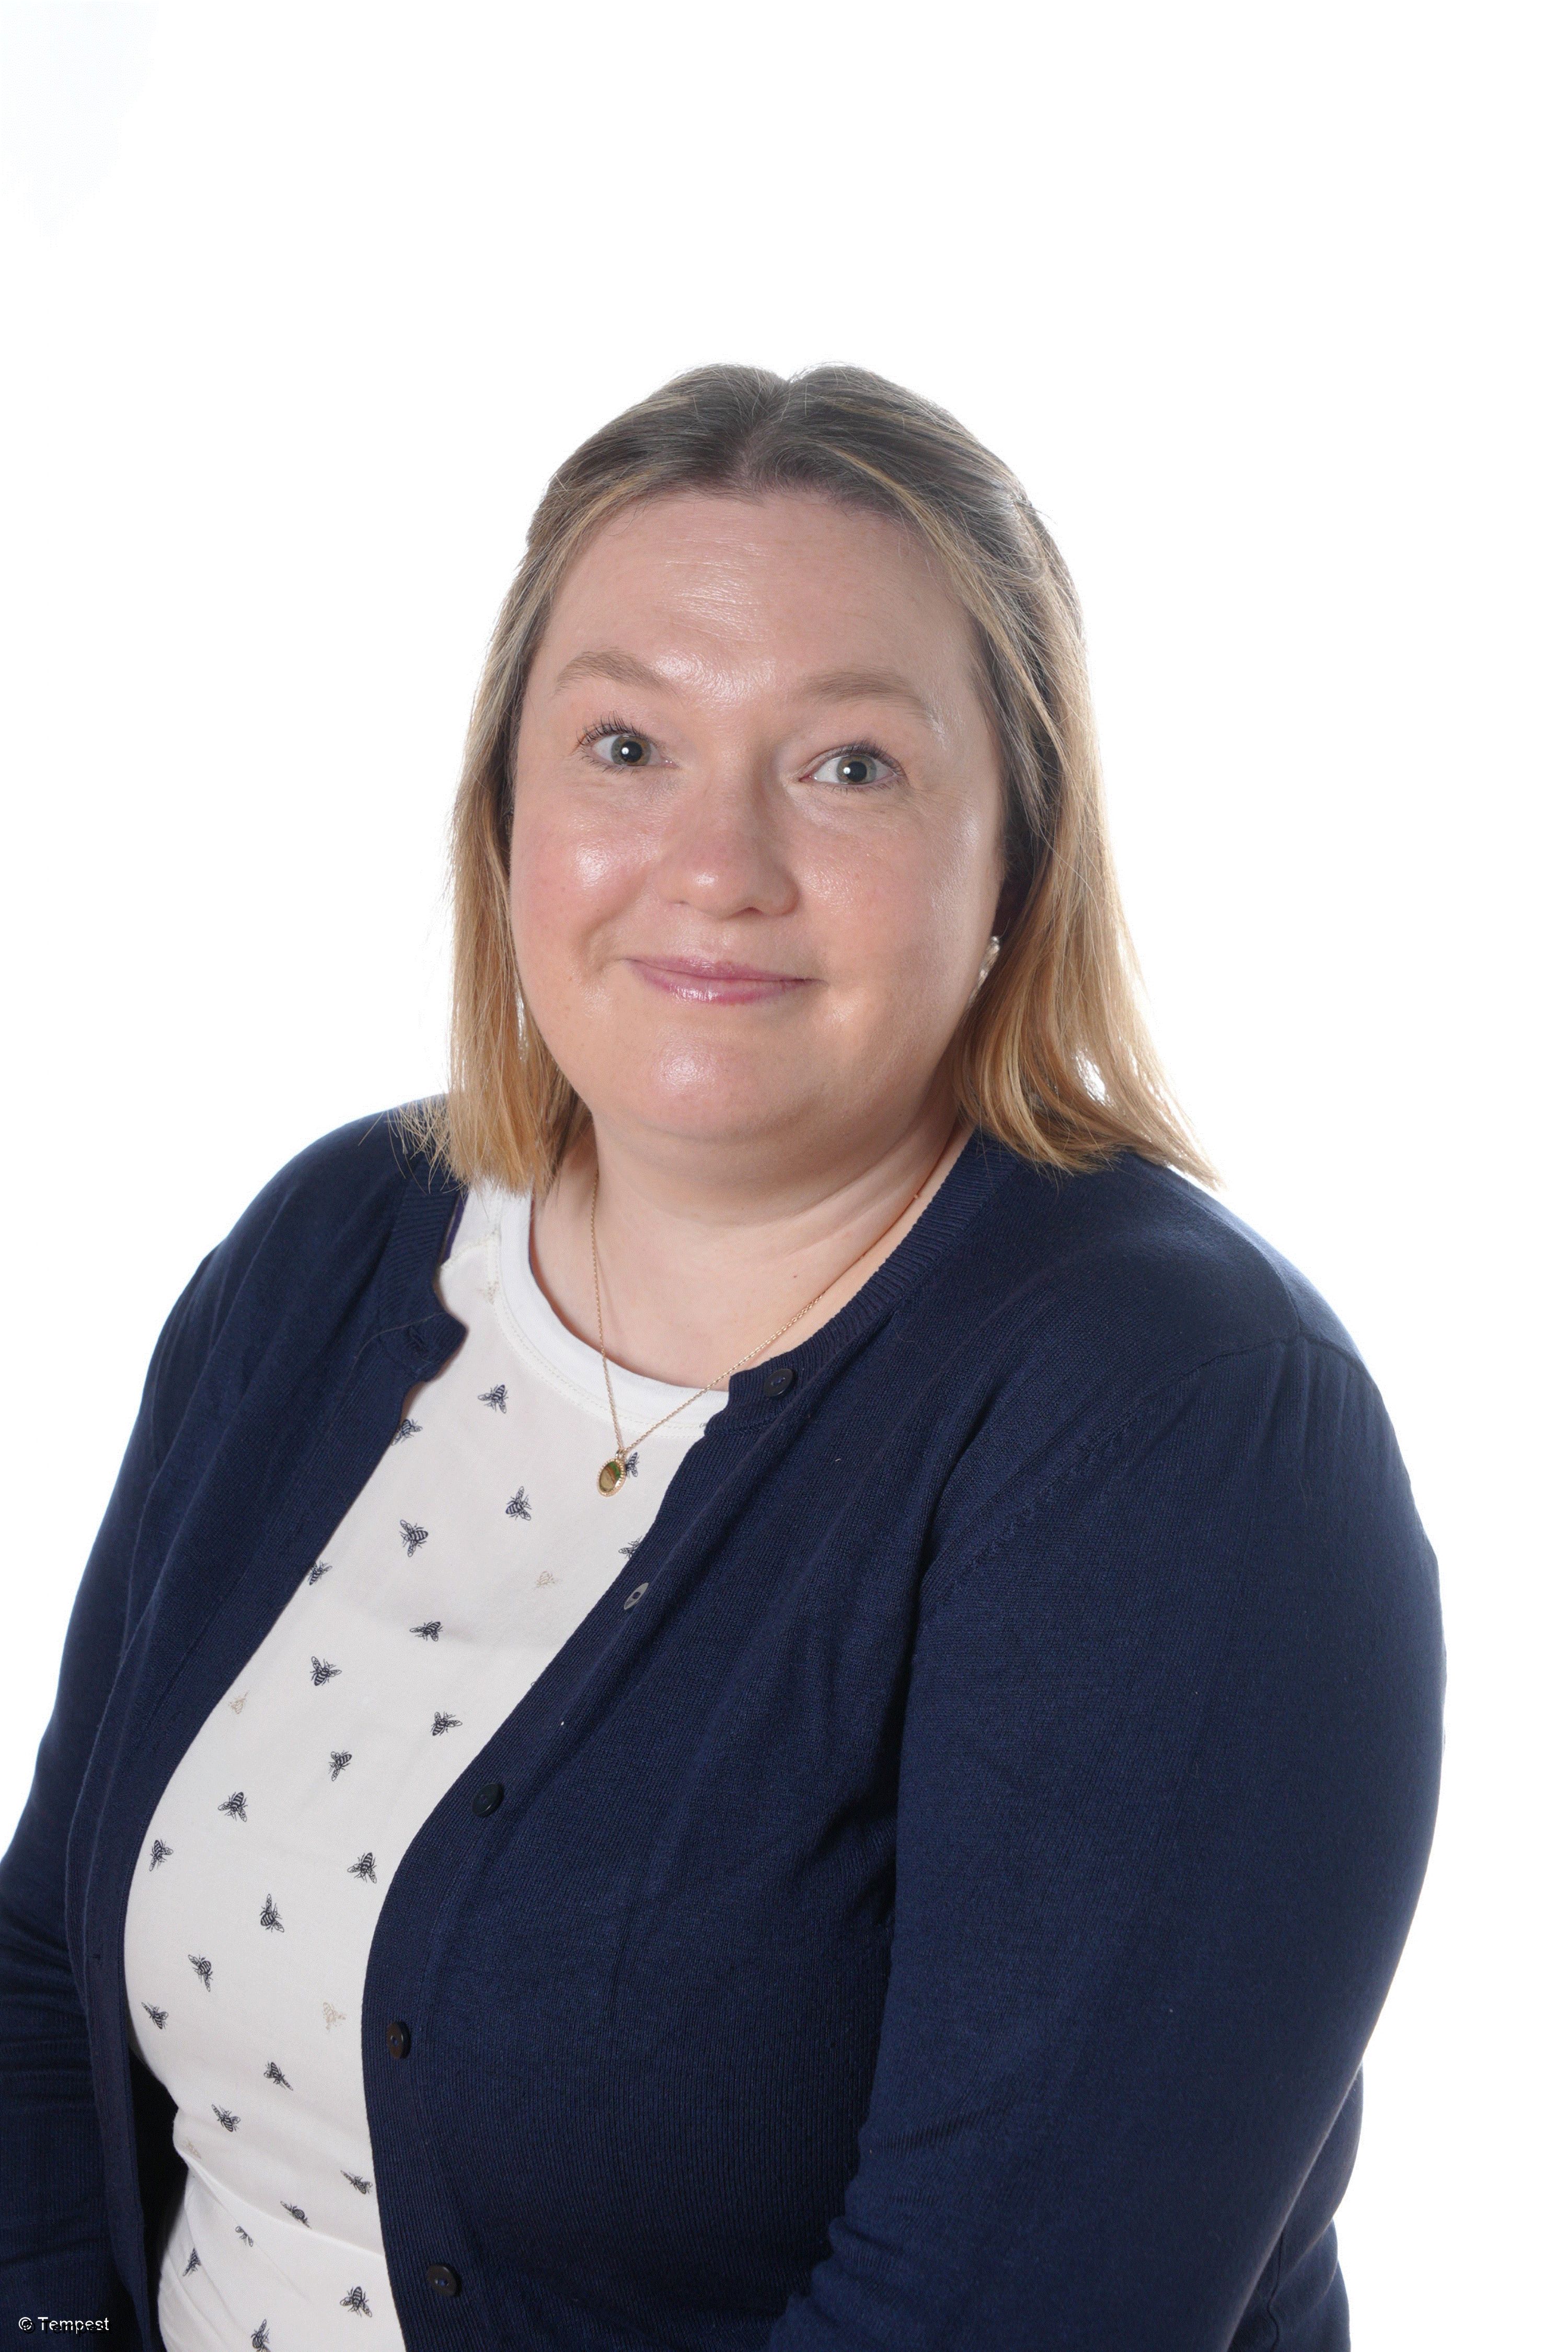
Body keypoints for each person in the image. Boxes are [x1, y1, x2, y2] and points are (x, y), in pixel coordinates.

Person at [0, 363, 1444, 2351]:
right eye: (625, 744)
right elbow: (38, 1970)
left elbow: (997, 2318)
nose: (718, 862)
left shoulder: (1179, 1426)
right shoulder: (336, 1248)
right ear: (505, 811)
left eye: (848, 765)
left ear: (1015, 854)